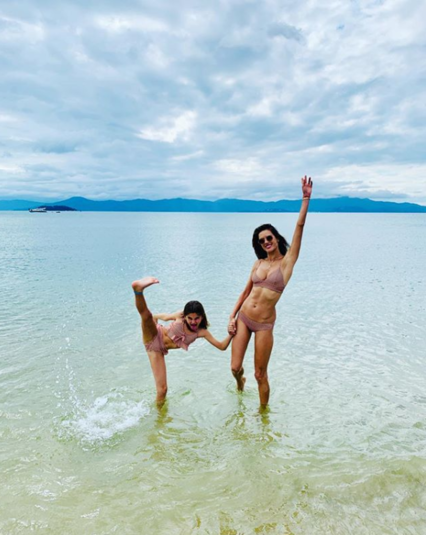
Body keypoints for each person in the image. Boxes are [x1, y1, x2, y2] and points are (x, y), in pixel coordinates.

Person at [228, 176, 313, 407]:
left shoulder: (287, 263)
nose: (266, 242)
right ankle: (239, 382)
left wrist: (305, 199)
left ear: (276, 238)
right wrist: (232, 316)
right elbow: (245, 292)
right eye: (261, 240)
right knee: (235, 367)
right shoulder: (258, 263)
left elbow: (299, 227)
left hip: (264, 324)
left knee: (260, 374)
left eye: (269, 237)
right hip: (244, 318)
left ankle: (263, 416)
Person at [132, 277, 233, 406]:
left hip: (157, 351)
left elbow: (222, 346)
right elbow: (157, 317)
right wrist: (153, 326)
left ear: (202, 317)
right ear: (185, 316)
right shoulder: (179, 316)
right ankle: (138, 290)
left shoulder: (202, 332)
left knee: (162, 391)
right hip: (154, 335)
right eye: (190, 318)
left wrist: (231, 335)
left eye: (197, 318)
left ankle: (159, 416)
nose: (193, 322)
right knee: (146, 316)